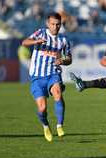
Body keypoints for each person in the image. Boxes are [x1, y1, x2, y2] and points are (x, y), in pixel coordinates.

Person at [22, 12, 72, 142]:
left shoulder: (64, 40)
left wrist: (62, 61)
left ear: (61, 25)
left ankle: (60, 125)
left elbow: (69, 59)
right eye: (53, 24)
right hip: (37, 76)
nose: (55, 27)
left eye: (58, 24)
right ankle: (45, 125)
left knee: (57, 93)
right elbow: (24, 42)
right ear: (47, 24)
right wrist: (36, 41)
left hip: (53, 73)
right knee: (42, 108)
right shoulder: (41, 33)